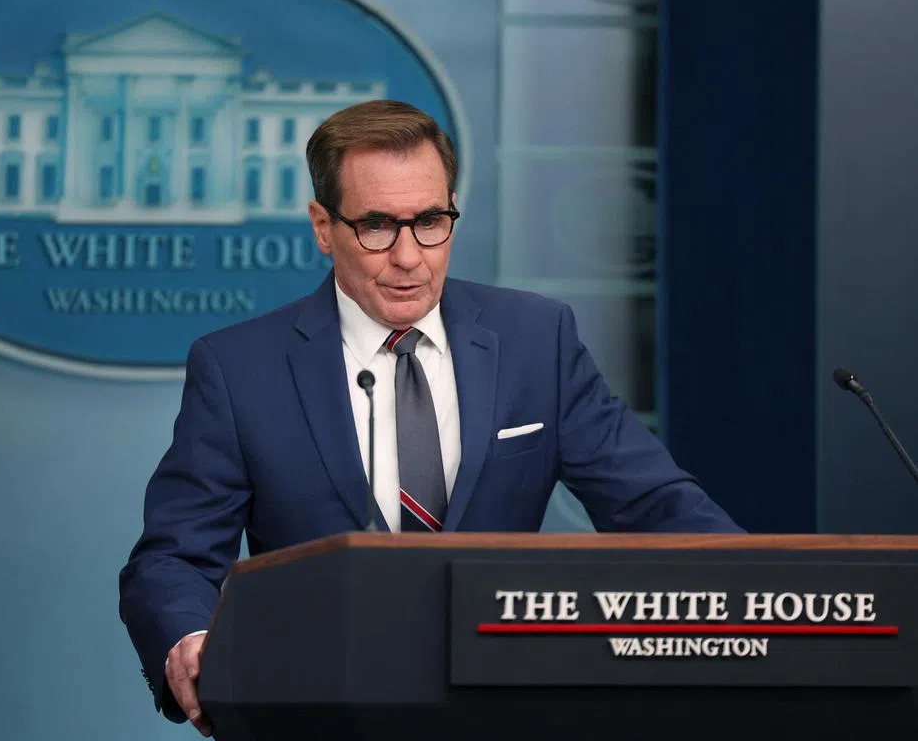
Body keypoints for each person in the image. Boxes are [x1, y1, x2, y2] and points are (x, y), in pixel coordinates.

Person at [118, 99, 742, 735]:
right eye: (378, 226)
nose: (409, 256)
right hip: (314, 713)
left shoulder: (535, 340)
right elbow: (175, 557)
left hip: (504, 714)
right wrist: (190, 639)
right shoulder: (239, 368)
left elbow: (655, 505)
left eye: (430, 221)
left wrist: (760, 599)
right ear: (322, 227)